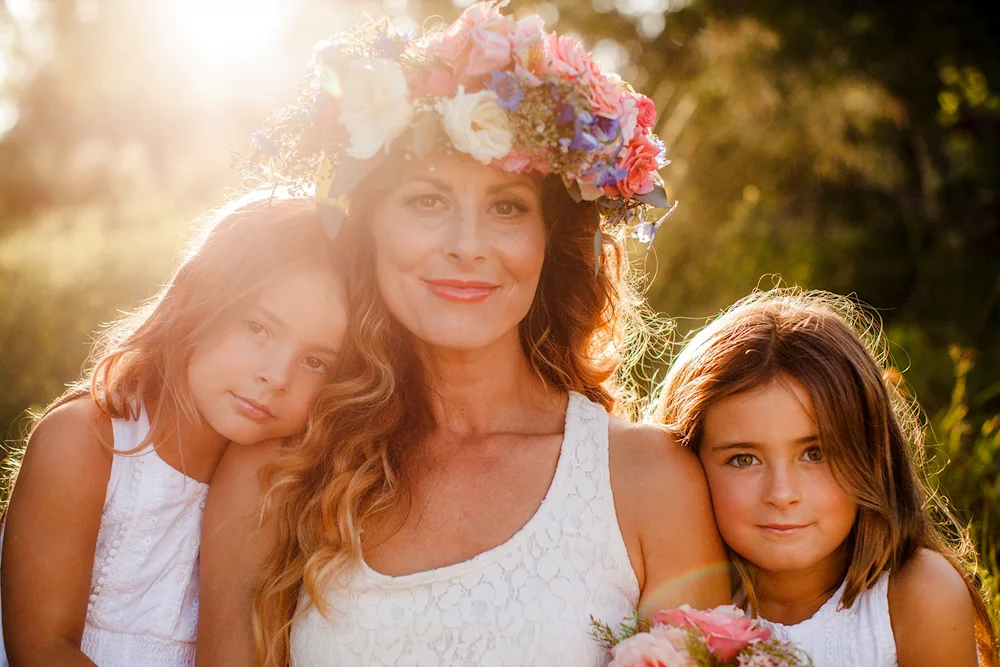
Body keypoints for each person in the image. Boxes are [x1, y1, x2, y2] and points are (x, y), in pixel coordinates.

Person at [197, 3, 730, 666]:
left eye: (506, 207)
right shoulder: (275, 475)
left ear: (547, 242)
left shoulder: (648, 480)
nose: (468, 246)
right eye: (428, 200)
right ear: (370, 228)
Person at [0, 194, 350, 667]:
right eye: (258, 327)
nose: (278, 375)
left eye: (316, 361)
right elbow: (42, 649)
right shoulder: (86, 442)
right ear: (198, 301)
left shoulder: (281, 477)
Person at [654, 288, 998, 667]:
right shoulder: (679, 603)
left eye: (815, 454)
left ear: (870, 454)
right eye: (743, 459)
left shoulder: (916, 595)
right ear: (687, 464)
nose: (782, 494)